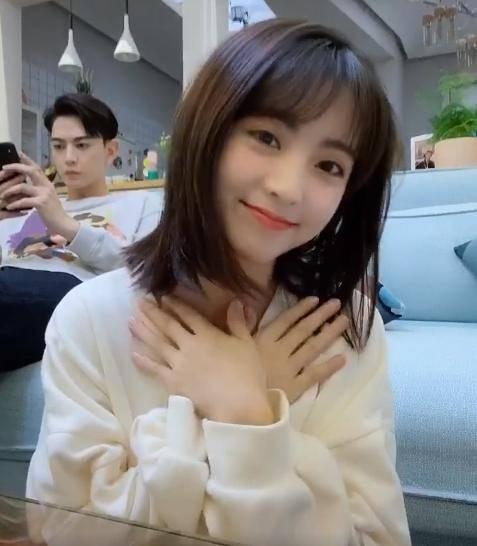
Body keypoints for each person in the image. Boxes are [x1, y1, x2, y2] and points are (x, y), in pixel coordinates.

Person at [26, 20, 411, 546]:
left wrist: (247, 413)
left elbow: (376, 538)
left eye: (329, 165)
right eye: (266, 137)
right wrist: (234, 411)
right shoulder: (90, 319)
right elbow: (63, 529)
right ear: (208, 128)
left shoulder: (342, 332)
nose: (288, 188)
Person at [0, 94, 162, 370]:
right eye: (58, 146)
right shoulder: (28, 207)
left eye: (82, 145)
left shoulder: (141, 203)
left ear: (111, 150)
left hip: (72, 293)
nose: (69, 158)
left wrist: (65, 225)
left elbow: (149, 272)